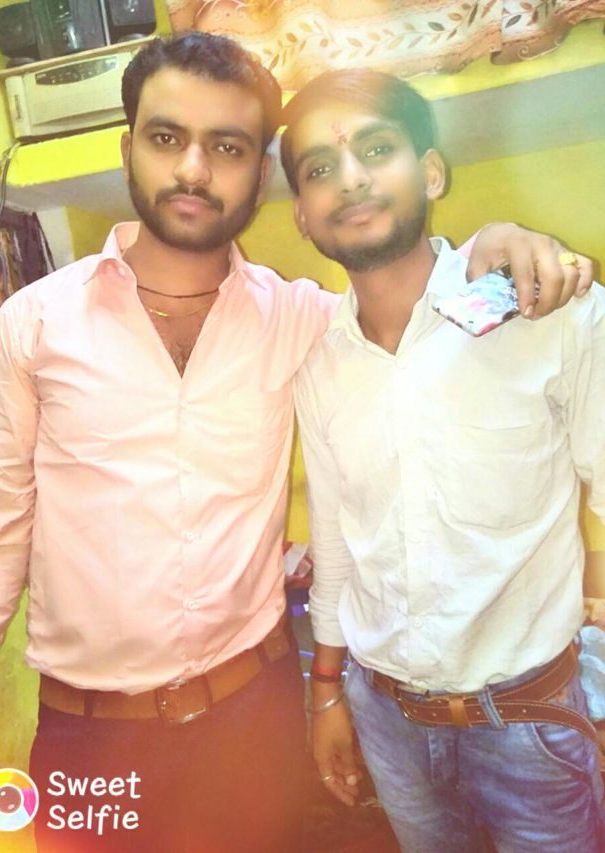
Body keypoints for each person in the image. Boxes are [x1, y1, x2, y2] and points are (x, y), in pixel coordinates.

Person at [0, 33, 594, 852]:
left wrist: (496, 241)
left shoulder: (299, 320)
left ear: (260, 177)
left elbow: (408, 290)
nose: (194, 169)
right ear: (128, 150)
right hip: (88, 738)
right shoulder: (34, 326)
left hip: (253, 725)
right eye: (166, 137)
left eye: (227, 146)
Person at [285, 68, 605, 852]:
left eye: (376, 149)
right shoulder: (318, 363)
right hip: (387, 721)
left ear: (431, 171)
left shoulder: (545, 309)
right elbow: (335, 545)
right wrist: (326, 694)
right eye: (320, 168)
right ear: (301, 213)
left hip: (531, 723)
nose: (350, 178)